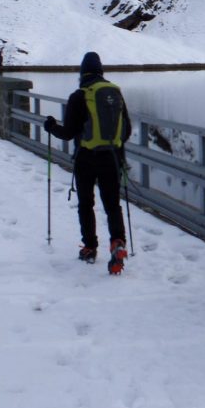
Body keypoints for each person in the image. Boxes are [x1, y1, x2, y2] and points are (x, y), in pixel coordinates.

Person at [44, 51, 132, 274]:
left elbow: (68, 133)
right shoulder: (115, 93)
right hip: (112, 157)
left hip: (86, 158)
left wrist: (51, 126)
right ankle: (118, 242)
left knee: (86, 204)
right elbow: (127, 130)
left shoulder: (79, 96)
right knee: (112, 204)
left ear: (82, 72)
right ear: (101, 71)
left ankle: (90, 248)